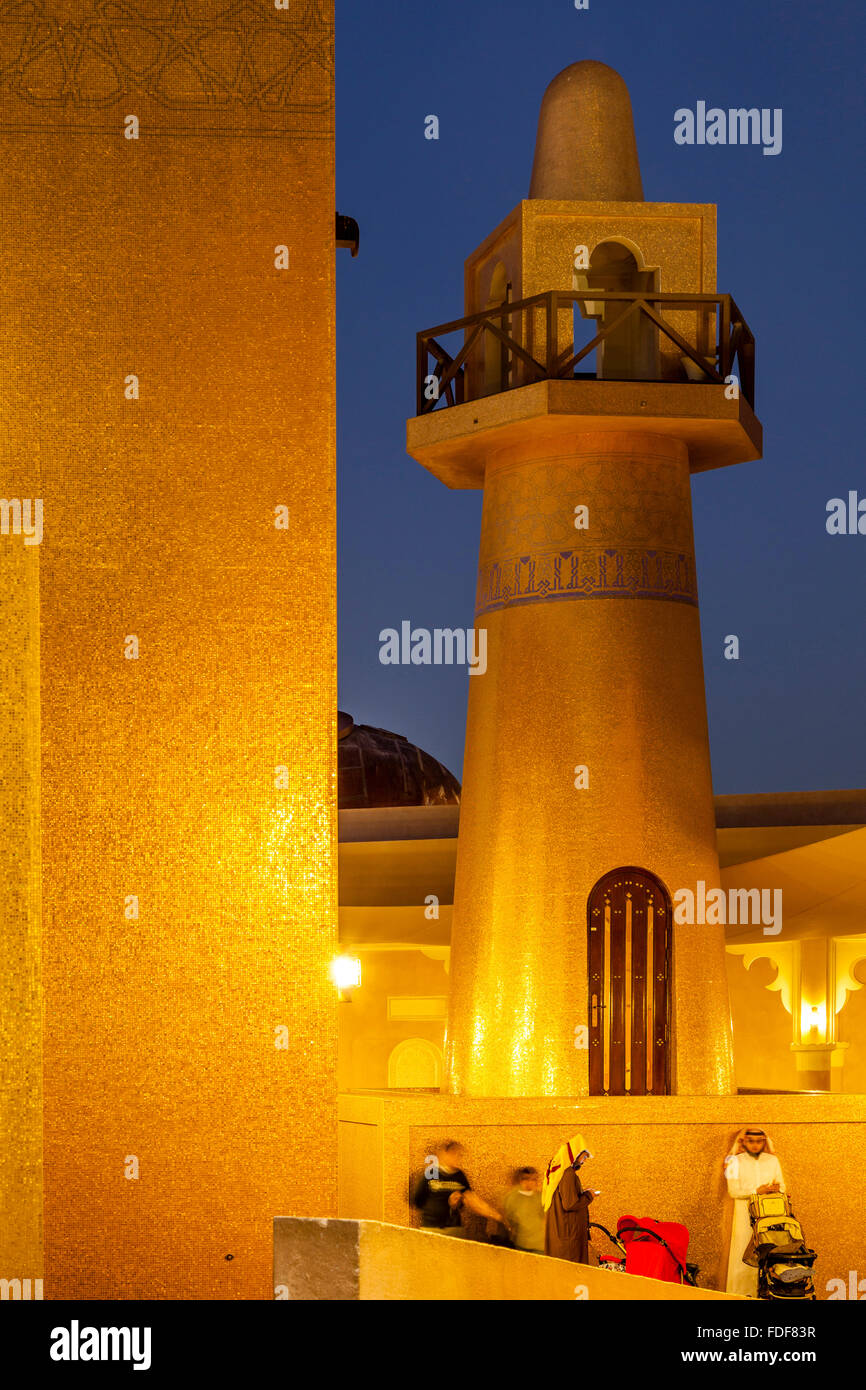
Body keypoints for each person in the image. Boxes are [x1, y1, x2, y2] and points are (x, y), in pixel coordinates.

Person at [724, 1126, 786, 1296]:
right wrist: (755, 1191)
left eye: (759, 1141)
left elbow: (783, 1186)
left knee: (769, 1253)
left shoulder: (772, 1161)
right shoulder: (733, 1161)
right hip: (744, 1217)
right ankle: (740, 1294)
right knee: (742, 1254)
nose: (755, 1145)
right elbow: (733, 1191)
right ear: (744, 1142)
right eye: (751, 1141)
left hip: (769, 1215)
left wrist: (775, 1189)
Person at [409, 1140, 504, 1238]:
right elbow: (417, 1200)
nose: (457, 1157)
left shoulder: (460, 1176)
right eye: (453, 1153)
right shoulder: (430, 1173)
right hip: (431, 1228)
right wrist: (433, 1210)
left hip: (453, 1228)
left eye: (459, 1155)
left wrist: (496, 1216)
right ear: (444, 1154)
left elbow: (473, 1200)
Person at [542, 1134, 597, 1262]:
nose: (584, 1161)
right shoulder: (567, 1174)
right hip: (568, 1236)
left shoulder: (558, 1172)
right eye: (584, 1157)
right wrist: (589, 1195)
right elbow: (570, 1204)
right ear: (575, 1154)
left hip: (561, 1233)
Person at [502, 1167, 546, 1254]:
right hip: (520, 1244)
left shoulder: (541, 1197)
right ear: (521, 1180)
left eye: (533, 1179)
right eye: (526, 1179)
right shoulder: (512, 1197)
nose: (530, 1182)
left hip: (539, 1245)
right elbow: (508, 1220)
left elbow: (545, 1219)